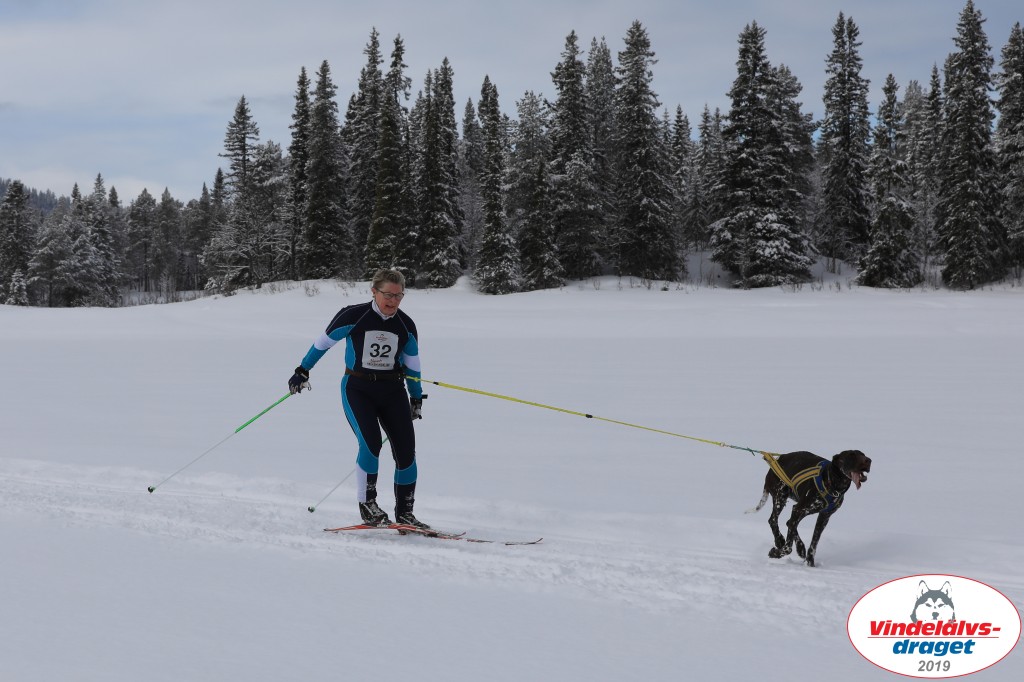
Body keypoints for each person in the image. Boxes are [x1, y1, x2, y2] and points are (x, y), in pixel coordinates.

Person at [288, 269, 428, 529]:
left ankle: (406, 512)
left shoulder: (406, 326)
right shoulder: (354, 315)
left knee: (406, 452)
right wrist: (302, 370)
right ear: (374, 291)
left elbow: (413, 365)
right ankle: (368, 505)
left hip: (393, 391)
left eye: (399, 296)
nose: (393, 301)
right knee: (371, 443)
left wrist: (416, 398)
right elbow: (323, 343)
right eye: (388, 294)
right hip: (357, 389)